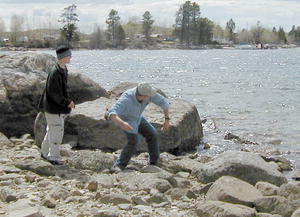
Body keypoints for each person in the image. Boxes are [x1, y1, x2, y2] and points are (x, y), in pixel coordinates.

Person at [107, 83, 170, 172]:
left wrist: (166, 120)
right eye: (149, 96)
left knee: (152, 134)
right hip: (126, 119)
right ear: (143, 96)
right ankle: (119, 165)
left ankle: (154, 163)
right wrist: (122, 124)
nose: (151, 97)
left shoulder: (148, 92)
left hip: (138, 117)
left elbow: (163, 102)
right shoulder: (126, 99)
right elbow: (112, 113)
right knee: (133, 141)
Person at [38, 45, 75, 165]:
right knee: (57, 131)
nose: (71, 57)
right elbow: (55, 94)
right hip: (54, 109)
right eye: (69, 55)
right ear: (63, 57)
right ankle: (53, 157)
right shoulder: (56, 73)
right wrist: (67, 102)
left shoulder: (62, 69)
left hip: (52, 108)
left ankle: (44, 153)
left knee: (51, 130)